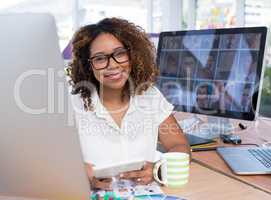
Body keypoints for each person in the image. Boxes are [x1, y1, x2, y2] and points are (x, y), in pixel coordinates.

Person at [67, 18, 190, 190]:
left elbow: (179, 145)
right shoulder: (72, 104)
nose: (112, 65)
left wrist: (158, 169)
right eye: (100, 58)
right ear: (89, 66)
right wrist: (76, 173)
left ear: (133, 56)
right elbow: (47, 162)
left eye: (120, 53)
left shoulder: (149, 96)